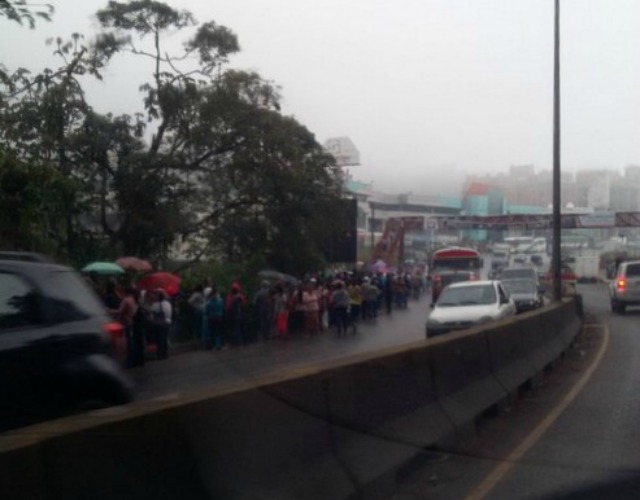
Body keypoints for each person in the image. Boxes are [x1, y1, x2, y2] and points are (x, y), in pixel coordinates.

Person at [114, 287, 139, 367]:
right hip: (132, 322)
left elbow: (120, 311)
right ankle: (133, 359)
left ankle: (129, 361)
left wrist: (110, 310)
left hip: (126, 322)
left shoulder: (126, 300)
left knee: (128, 342)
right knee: (131, 341)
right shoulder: (133, 299)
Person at [150, 289, 172, 359]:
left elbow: (152, 316)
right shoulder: (168, 303)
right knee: (165, 338)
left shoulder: (154, 305)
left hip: (158, 324)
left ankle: (160, 354)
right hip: (167, 322)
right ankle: (165, 354)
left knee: (159, 339)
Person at [225, 283, 246, 348]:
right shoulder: (241, 297)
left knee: (235, 330)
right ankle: (239, 343)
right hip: (240, 315)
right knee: (239, 329)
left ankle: (237, 343)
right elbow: (244, 306)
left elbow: (228, 307)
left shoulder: (231, 298)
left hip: (234, 316)